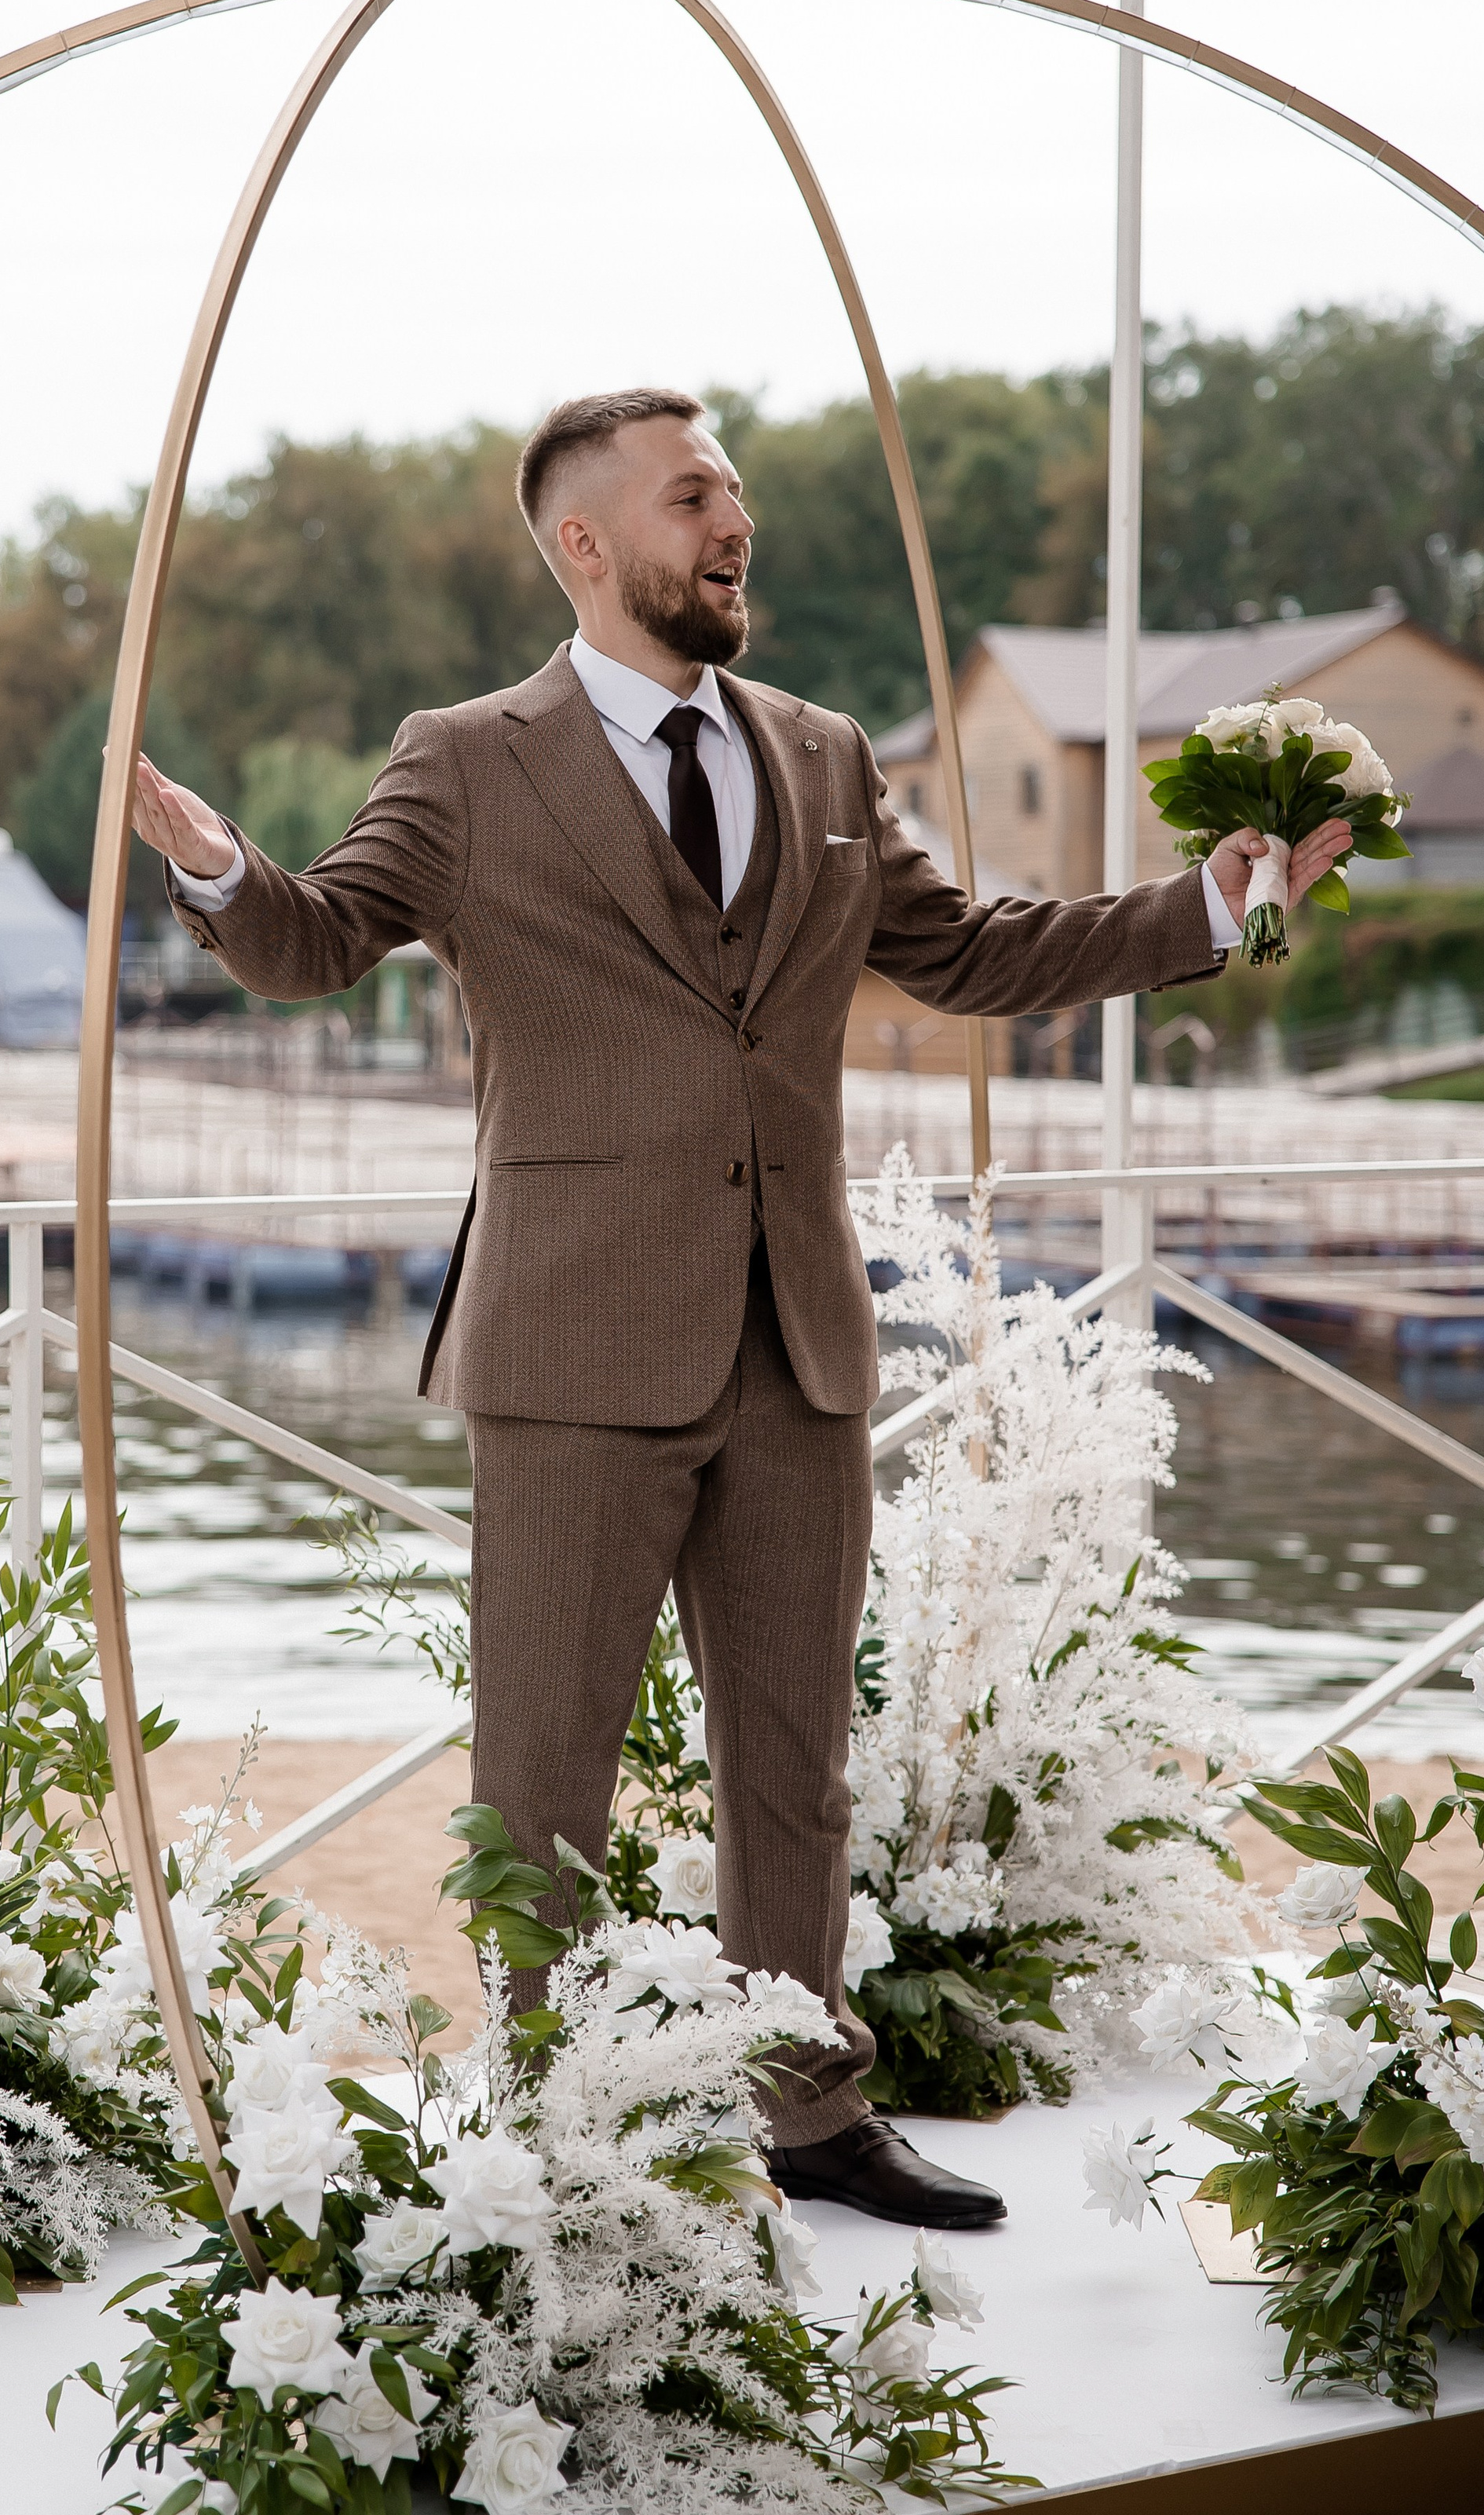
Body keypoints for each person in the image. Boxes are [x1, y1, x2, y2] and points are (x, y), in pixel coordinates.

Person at [131, 387, 1349, 2229]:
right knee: (541, 1769)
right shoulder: (464, 759)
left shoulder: (822, 751)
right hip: (569, 1344)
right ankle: (550, 2125)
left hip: (799, 1334)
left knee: (792, 1757)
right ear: (584, 545)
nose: (737, 520)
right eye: (694, 493)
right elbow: (317, 937)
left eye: (737, 490)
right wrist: (220, 867)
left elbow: (974, 955)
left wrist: (1207, 901)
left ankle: (807, 2110)